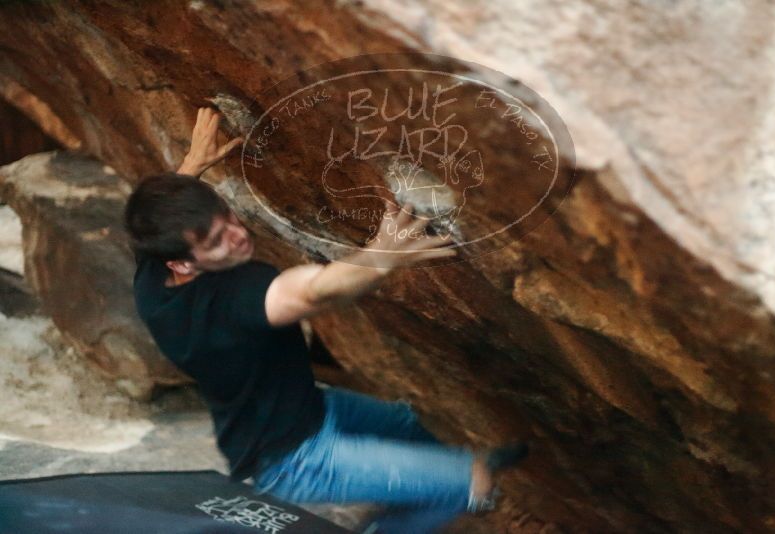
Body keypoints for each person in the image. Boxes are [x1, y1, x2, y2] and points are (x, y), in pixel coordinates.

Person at [124, 107, 528, 533]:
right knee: (471, 481)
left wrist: (190, 169)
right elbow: (318, 289)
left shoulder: (153, 277)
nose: (236, 235)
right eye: (215, 241)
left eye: (226, 217)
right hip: (298, 460)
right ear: (182, 264)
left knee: (402, 422)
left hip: (306, 411)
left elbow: (159, 217)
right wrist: (382, 255)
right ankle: (442, 492)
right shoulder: (236, 302)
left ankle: (415, 481)